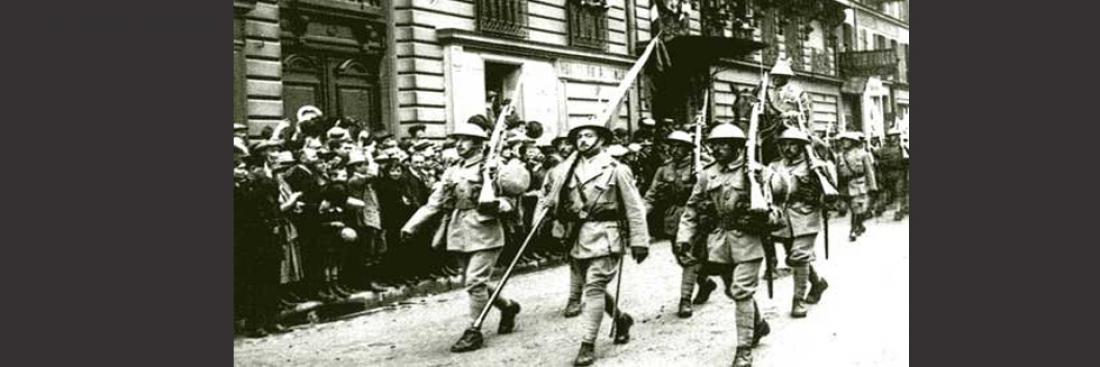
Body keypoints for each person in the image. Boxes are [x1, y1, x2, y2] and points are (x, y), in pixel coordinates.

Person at [400, 123, 525, 353]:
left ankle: (474, 330)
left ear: (478, 144)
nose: (459, 144)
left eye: (465, 140)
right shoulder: (452, 170)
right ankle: (507, 307)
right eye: (457, 139)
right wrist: (412, 226)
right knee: (474, 280)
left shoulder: (492, 166)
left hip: (486, 229)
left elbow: (514, 194)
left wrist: (498, 202)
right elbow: (435, 202)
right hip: (458, 229)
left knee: (474, 282)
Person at [537, 119, 650, 366]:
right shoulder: (565, 171)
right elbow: (552, 199)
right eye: (579, 137)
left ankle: (587, 344)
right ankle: (620, 319)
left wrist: (640, 240)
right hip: (576, 235)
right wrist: (547, 210)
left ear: (601, 140)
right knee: (592, 285)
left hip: (606, 235)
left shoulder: (616, 169)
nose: (583, 141)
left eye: (588, 136)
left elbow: (634, 207)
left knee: (595, 288)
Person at [677, 123, 785, 367]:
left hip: (749, 240)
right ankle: (757, 325)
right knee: (731, 291)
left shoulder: (757, 173)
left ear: (737, 147)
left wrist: (764, 215)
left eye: (723, 144)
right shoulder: (707, 174)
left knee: (741, 291)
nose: (717, 149)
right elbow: (692, 207)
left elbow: (779, 205)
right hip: (719, 240)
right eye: (714, 144)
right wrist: (684, 236)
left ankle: (744, 350)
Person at [644, 130, 713, 318]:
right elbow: (651, 195)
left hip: (696, 216)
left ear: (688, 149)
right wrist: (640, 214)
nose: (674, 150)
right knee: (680, 255)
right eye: (671, 146)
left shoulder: (701, 165)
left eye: (679, 147)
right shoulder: (664, 169)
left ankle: (685, 299)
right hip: (674, 216)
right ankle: (705, 283)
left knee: (688, 255)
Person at [766, 129, 833, 318]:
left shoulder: (815, 166)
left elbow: (832, 192)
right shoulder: (775, 165)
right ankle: (818, 283)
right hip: (783, 218)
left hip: (806, 215)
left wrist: (819, 181)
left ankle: (798, 301)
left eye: (792, 144)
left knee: (799, 257)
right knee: (794, 257)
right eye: (784, 144)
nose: (787, 148)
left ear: (801, 146)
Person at [836, 132, 878, 241]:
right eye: (843, 140)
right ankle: (860, 225)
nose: (844, 142)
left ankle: (853, 230)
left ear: (853, 142)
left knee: (856, 208)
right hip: (845, 186)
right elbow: (837, 174)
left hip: (859, 184)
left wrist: (872, 186)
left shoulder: (863, 154)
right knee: (854, 209)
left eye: (847, 140)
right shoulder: (840, 156)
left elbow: (869, 171)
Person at [875, 129, 909, 220]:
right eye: (891, 136)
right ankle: (880, 207)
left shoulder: (902, 148)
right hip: (889, 173)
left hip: (899, 173)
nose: (893, 138)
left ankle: (898, 211)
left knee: (899, 193)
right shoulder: (884, 149)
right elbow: (877, 161)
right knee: (887, 192)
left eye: (895, 136)